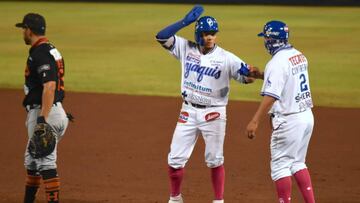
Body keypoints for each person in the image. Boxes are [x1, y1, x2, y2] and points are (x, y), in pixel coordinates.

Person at [156, 5, 263, 203]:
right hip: (187, 111)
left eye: (213, 33)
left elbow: (248, 74)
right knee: (175, 159)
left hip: (214, 113)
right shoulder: (184, 47)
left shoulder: (226, 58)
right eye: (206, 33)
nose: (210, 37)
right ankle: (175, 198)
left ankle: (218, 200)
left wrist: (259, 75)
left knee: (214, 160)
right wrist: (184, 22)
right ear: (198, 34)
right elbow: (161, 36)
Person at [245, 20, 315, 203]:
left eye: (266, 37)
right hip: (306, 117)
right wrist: (261, 75)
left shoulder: (276, 62)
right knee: (298, 163)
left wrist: (255, 120)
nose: (264, 41)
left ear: (271, 40)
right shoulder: (298, 55)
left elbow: (272, 96)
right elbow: (286, 79)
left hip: (289, 121)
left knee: (280, 168)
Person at [16, 13, 70, 203]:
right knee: (32, 160)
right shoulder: (51, 49)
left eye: (23, 28)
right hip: (56, 111)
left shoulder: (40, 53)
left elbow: (50, 86)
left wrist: (42, 120)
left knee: (46, 163)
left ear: (29, 30)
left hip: (44, 113)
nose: (22, 32)